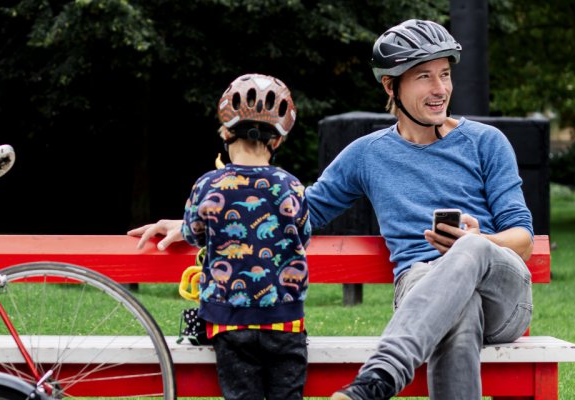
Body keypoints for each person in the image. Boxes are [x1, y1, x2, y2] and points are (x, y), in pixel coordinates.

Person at [130, 20, 534, 400]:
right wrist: (190, 224)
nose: (440, 88)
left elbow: (522, 239)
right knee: (457, 321)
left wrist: (477, 240)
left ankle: (380, 378)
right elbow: (300, 209)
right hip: (421, 287)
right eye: (424, 76)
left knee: (471, 251)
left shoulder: (486, 142)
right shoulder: (368, 154)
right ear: (391, 86)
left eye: (445, 74)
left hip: (501, 289)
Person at [178, 73, 313, 400]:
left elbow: (191, 234)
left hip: (228, 322)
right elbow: (303, 236)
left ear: (225, 132)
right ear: (278, 140)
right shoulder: (291, 185)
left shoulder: (207, 185)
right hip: (284, 322)